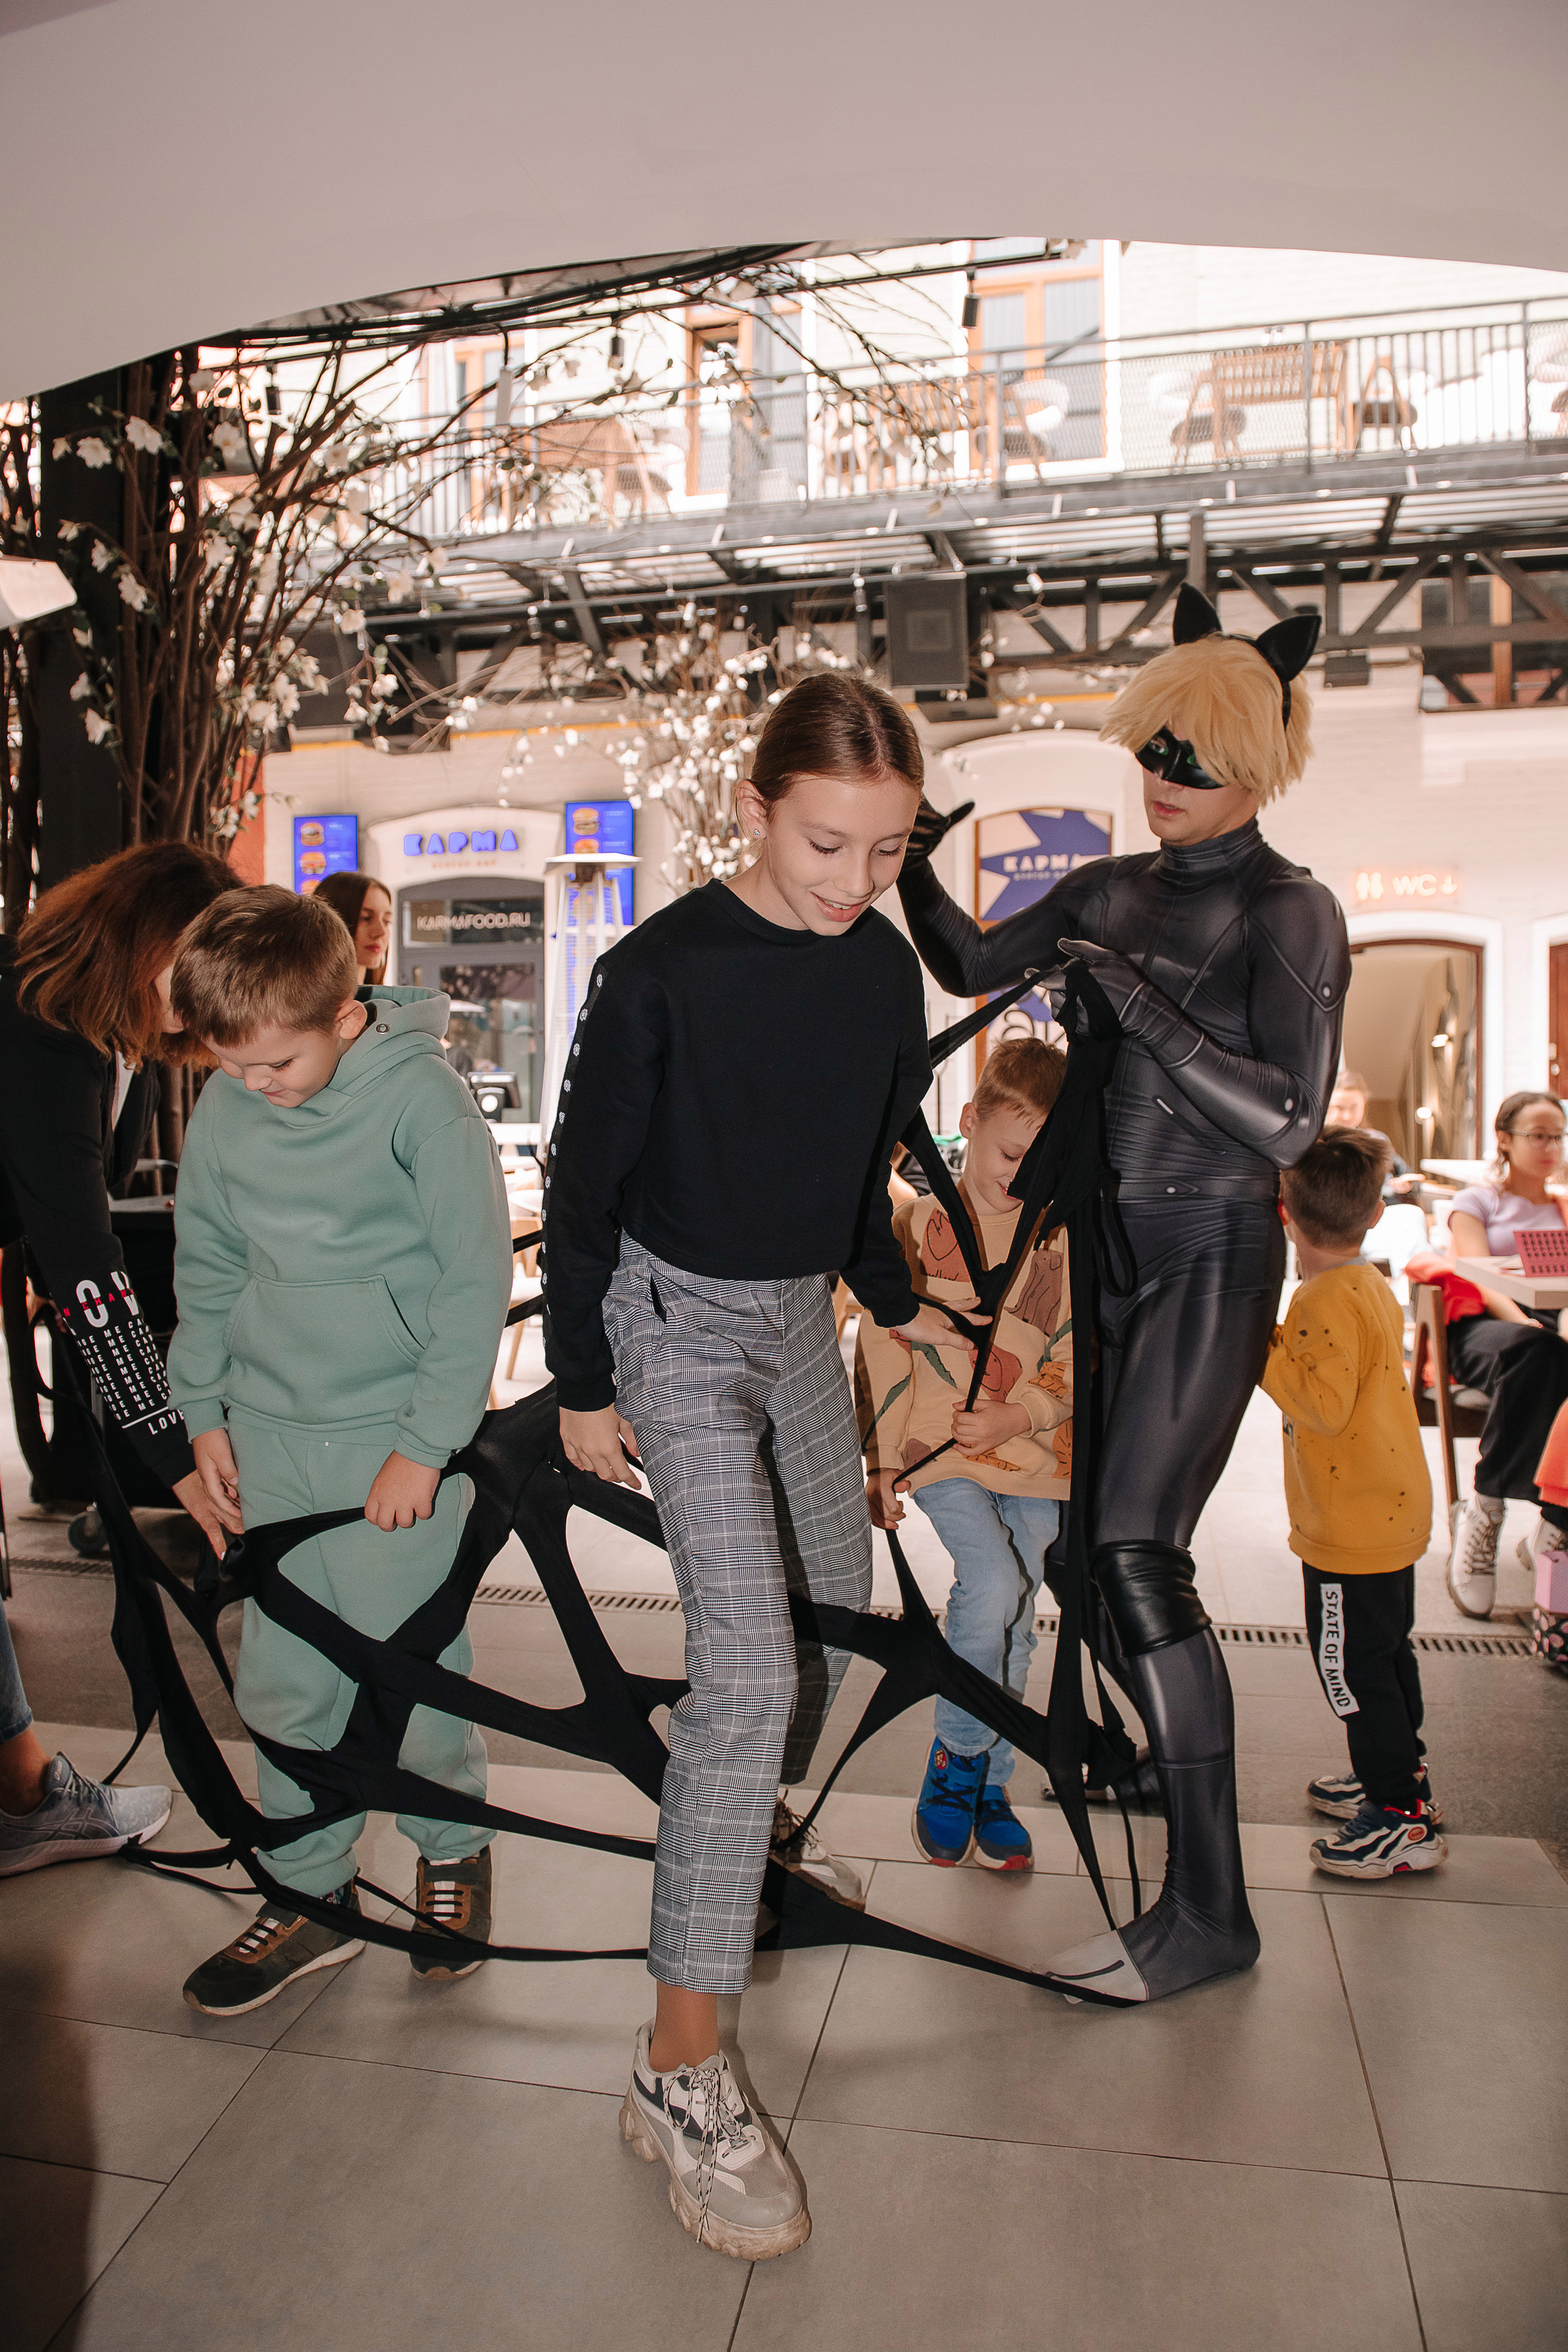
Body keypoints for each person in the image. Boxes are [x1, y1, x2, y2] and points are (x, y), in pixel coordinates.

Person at [543, 671, 951, 2260]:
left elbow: (858, 1150)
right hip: (668, 1322)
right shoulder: (661, 973)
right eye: (828, 844)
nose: (855, 883)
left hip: (796, 1319)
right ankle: (678, 2071)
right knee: (748, 1676)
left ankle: (729, 1840)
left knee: (838, 1616)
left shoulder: (882, 975)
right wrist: (582, 1379)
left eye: (887, 851)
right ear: (757, 809)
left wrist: (892, 1285)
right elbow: (588, 1182)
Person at [897, 582, 1349, 2005]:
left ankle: (1210, 1908)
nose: (1159, 778)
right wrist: (917, 854)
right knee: (1099, 1566)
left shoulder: (1291, 909)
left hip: (1214, 1242)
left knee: (1137, 1554)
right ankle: (1160, 1814)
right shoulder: (1105, 886)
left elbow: (1288, 1121)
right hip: (1102, 1241)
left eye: (1190, 757)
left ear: (1258, 757)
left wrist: (1134, 999)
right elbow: (970, 962)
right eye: (1149, 748)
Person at [166, 888, 511, 2016]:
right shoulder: (227, 1102)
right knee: (282, 1673)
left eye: (273, 1064)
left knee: (409, 1665)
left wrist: (425, 1447)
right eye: (230, 1065)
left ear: (343, 1013)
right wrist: (202, 1412)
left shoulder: (424, 1100)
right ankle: (311, 1893)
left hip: (393, 1451)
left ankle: (451, 1848)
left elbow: (474, 1283)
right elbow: (209, 1266)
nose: (251, 1087)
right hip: (272, 1438)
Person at [0, 840, 249, 1875]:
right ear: (147, 936)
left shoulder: (104, 1042)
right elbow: (88, 1267)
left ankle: (25, 1796)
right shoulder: (41, 1030)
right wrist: (174, 1449)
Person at [857, 1037, 1072, 1872]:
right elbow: (882, 1344)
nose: (1019, 1177)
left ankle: (989, 1779)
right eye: (1011, 1153)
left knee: (1017, 1620)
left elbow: (1074, 1352)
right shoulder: (917, 1222)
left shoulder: (1059, 1238)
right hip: (938, 1450)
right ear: (971, 1120)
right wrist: (880, 1461)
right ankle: (953, 1758)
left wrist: (1022, 1414)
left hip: (1035, 1454)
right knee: (993, 1584)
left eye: (1040, 1162)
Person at [1261, 1128, 1444, 1877]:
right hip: (1388, 1513)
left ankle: (1398, 1817)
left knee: (1347, 1670)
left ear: (1282, 1214)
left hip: (1348, 1528)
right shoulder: (1369, 1282)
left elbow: (1322, 1406)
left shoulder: (1319, 1298)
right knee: (1385, 1655)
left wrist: (1259, 1347)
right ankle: (1403, 1775)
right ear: (1373, 1215)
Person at [1442, 1091, 1568, 1618]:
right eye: (1537, 1135)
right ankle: (1488, 1509)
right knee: (1539, 1352)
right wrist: (1530, 1323)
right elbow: (1481, 1275)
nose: (1548, 1147)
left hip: (1554, 1334)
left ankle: (1553, 1521)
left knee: (1549, 1356)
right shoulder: (1477, 1202)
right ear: (1504, 1139)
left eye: (1557, 1137)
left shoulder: (1564, 1205)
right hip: (1488, 1329)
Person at [1327, 1069, 1417, 1199]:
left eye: (1354, 1107)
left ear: (1364, 1103)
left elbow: (1406, 1173)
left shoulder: (1377, 1139)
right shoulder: (1317, 1145)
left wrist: (1406, 1183)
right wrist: (1388, 1188)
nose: (1347, 1116)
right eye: (1339, 1108)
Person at [312, 868, 392, 986]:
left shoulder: (386, 1000)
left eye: (386, 921)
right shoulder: (302, 1001)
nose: (381, 932)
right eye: (365, 918)